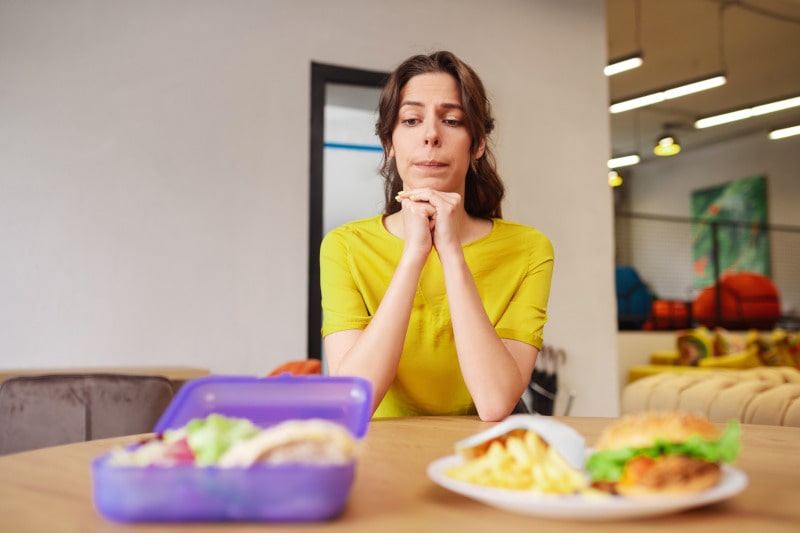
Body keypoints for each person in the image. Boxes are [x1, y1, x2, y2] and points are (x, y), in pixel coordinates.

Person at [320, 51, 554, 421]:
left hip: (476, 459)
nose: (431, 135)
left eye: (452, 120)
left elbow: (495, 403)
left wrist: (451, 252)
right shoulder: (344, 247)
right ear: (389, 143)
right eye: (411, 120)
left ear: (477, 145)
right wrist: (414, 254)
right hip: (381, 456)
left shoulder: (528, 249)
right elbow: (354, 399)